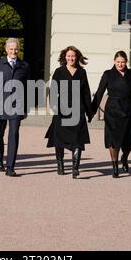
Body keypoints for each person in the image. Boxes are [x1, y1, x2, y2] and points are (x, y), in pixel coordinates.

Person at [45, 46, 93, 179]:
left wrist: (89, 112)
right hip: (61, 110)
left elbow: (86, 93)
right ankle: (60, 164)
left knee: (78, 139)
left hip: (78, 110)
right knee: (59, 138)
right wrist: (54, 107)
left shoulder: (82, 72)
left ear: (77, 57)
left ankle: (75, 168)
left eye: (73, 56)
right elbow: (53, 90)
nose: (71, 58)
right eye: (68, 56)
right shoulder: (59, 71)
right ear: (64, 57)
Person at [0, 38, 30, 177]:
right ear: (6, 50)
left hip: (17, 106)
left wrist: (26, 107)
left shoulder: (24, 66)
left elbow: (28, 88)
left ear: (19, 49)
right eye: (11, 49)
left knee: (14, 135)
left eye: (16, 49)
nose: (14, 51)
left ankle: (10, 167)